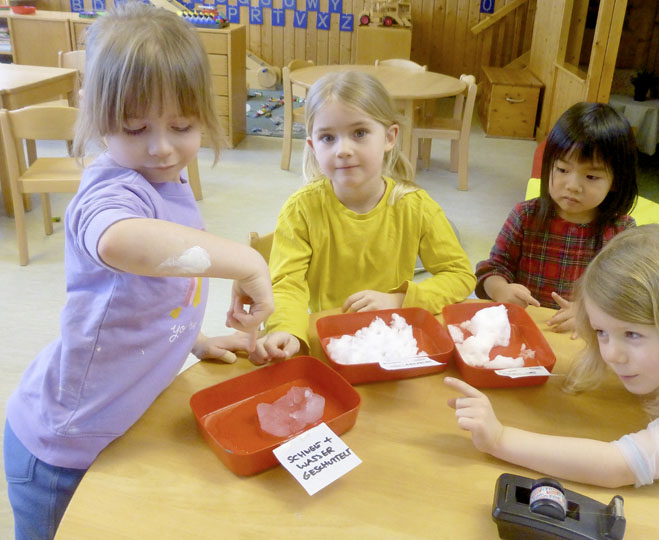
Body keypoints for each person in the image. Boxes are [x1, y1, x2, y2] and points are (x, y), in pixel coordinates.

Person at [3, 4, 274, 538]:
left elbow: (148, 286)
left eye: (182, 125)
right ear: (100, 119)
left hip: (116, 428)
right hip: (61, 449)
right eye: (134, 127)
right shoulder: (111, 189)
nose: (161, 147)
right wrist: (246, 261)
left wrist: (189, 338)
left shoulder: (164, 179)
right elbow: (123, 243)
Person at [446, 224, 659, 488]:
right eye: (602, 331)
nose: (611, 353)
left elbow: (619, 465)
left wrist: (501, 438)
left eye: (632, 334)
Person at [253, 71, 476, 362]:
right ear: (312, 146)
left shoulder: (416, 207)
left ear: (389, 137)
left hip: (393, 340)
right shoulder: (301, 210)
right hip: (331, 341)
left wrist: (399, 300)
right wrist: (287, 330)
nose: (343, 150)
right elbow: (286, 283)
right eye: (328, 137)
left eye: (359, 133)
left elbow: (459, 276)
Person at [474, 102, 638, 335]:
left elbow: (626, 293)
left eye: (591, 176)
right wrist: (501, 289)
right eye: (562, 170)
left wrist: (588, 312)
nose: (573, 186)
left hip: (583, 336)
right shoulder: (525, 216)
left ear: (616, 182)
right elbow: (491, 269)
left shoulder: (620, 231)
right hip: (521, 328)